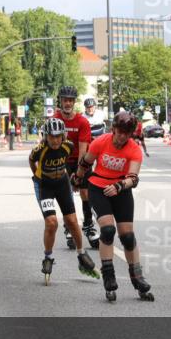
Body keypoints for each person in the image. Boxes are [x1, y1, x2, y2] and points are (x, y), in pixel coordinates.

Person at [73, 111, 151, 302]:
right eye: (120, 131)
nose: (122, 136)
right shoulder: (101, 142)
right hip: (98, 188)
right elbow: (86, 162)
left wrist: (119, 186)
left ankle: (137, 277)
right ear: (113, 129)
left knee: (128, 236)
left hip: (121, 190)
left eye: (127, 133)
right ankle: (108, 274)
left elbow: (133, 178)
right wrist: (78, 177)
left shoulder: (134, 149)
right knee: (107, 230)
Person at [29, 117, 98, 284]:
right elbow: (32, 161)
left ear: (63, 136)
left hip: (62, 184)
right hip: (44, 185)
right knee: (52, 223)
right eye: (51, 136)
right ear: (45, 136)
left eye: (58, 136)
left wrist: (72, 178)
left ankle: (81, 254)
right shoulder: (39, 149)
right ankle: (48, 257)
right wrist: (37, 176)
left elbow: (70, 162)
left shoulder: (69, 146)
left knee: (72, 221)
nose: (55, 140)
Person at [53, 86, 99, 249]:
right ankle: (69, 227)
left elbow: (83, 149)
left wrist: (78, 174)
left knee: (86, 193)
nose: (67, 103)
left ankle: (88, 225)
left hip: (80, 160)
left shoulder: (82, 122)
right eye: (65, 100)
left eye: (70, 101)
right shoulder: (55, 119)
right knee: (66, 195)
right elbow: (53, 146)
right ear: (61, 101)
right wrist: (64, 171)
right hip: (61, 160)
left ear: (74, 102)